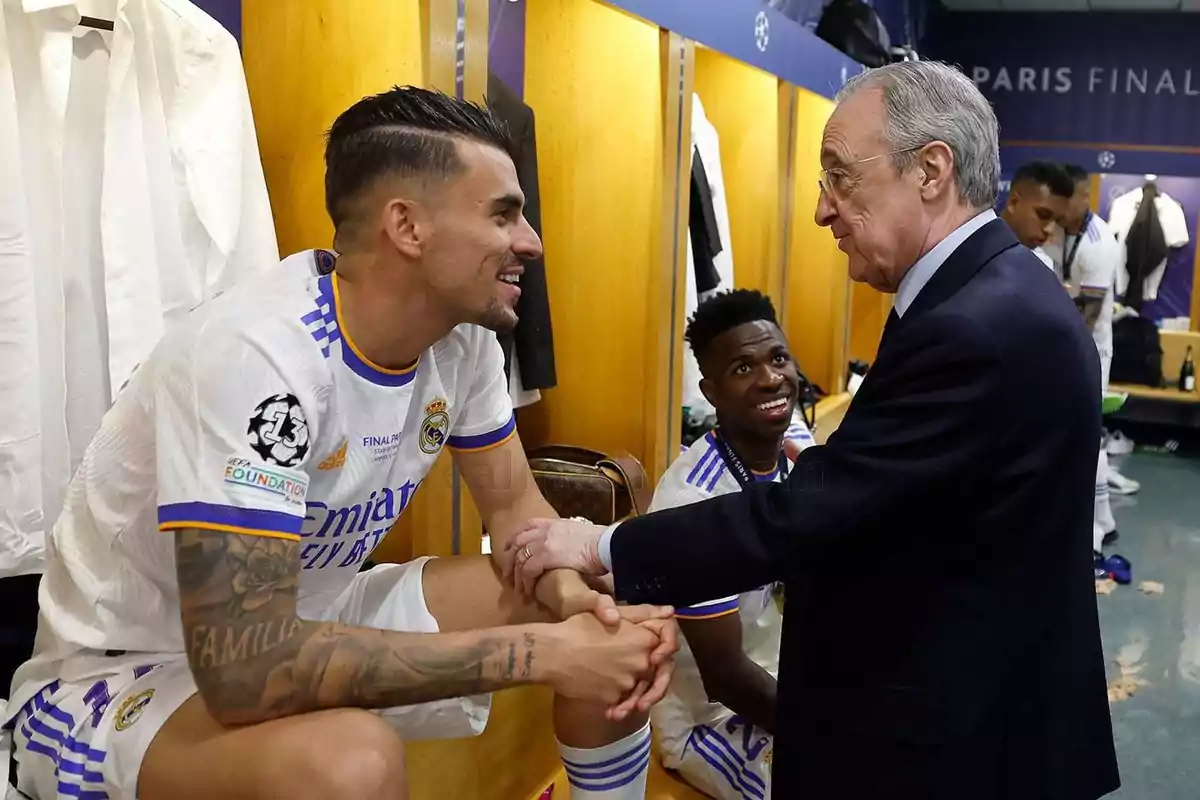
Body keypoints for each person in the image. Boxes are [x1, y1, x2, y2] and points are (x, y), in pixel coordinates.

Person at [3, 87, 678, 800]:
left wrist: (581, 611)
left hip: (307, 615)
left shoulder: (464, 343)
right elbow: (244, 669)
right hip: (128, 674)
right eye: (503, 214)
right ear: (407, 226)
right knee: (352, 762)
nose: (531, 240)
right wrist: (543, 654)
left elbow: (518, 517)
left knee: (599, 625)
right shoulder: (257, 357)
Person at [504, 61, 1119, 799]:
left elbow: (819, 513)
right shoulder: (1004, 295)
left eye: (840, 175)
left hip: (949, 743)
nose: (823, 210)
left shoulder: (973, 326)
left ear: (930, 170)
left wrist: (601, 543)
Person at [647, 289, 816, 800]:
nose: (770, 378)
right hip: (713, 719)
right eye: (743, 368)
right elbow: (725, 678)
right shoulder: (692, 501)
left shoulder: (793, 460)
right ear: (711, 390)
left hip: (791, 684)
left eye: (778, 358)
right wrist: (831, 731)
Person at [1053, 164, 1140, 498]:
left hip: (1088, 348)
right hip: (1057, 340)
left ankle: (1099, 509)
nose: (1060, 206)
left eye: (1067, 198)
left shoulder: (1099, 241)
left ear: (1084, 195)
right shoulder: (1055, 228)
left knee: (1085, 426)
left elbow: (1087, 315)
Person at [999, 160, 1074, 269]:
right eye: (1043, 215)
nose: (1050, 230)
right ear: (1013, 203)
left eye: (1057, 220)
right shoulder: (972, 250)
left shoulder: (1044, 267)